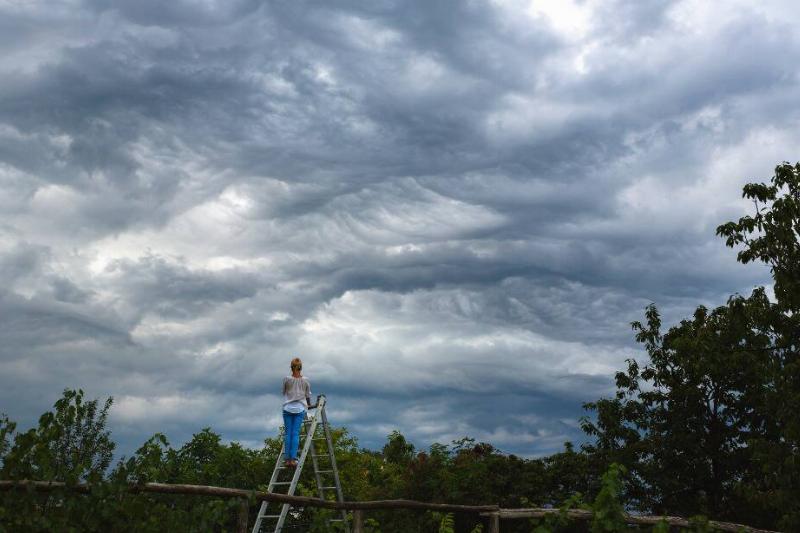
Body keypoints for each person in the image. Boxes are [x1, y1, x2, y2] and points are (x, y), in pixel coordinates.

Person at [282, 357, 311, 467]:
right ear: (301, 367)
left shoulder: (286, 379)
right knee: (295, 434)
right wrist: (308, 404)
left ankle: (287, 459)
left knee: (288, 434)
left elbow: (284, 391)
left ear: (291, 367)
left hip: (287, 408)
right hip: (299, 408)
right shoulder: (305, 380)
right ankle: (293, 459)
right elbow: (308, 395)